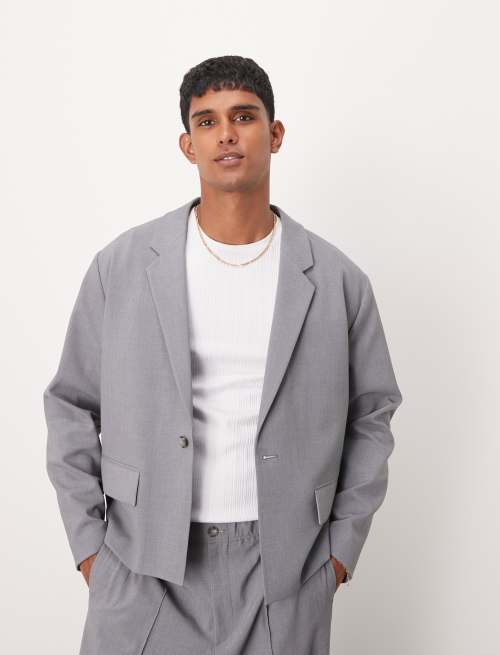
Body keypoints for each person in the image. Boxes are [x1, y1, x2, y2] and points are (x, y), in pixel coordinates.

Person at [44, 55, 403, 655]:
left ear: (275, 134)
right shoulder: (122, 267)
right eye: (207, 122)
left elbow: (372, 414)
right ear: (188, 145)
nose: (226, 134)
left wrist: (339, 554)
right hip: (143, 563)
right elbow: (71, 404)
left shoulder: (338, 280)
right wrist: (91, 552)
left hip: (286, 569)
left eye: (244, 116)